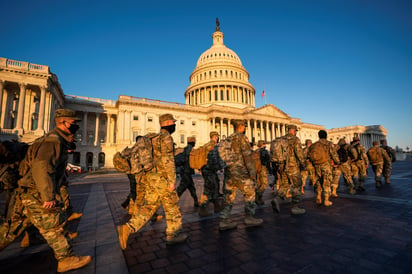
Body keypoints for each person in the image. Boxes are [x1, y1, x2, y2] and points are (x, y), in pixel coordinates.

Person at [0, 109, 91, 272]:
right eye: (73, 123)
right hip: (36, 192)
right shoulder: (54, 141)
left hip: (27, 190)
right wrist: (48, 196)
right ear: (63, 123)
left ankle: (31, 238)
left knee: (13, 226)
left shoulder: (53, 139)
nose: (76, 125)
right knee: (54, 225)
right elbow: (42, 167)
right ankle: (66, 259)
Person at [117, 113, 188, 249]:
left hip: (150, 177)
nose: (175, 125)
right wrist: (172, 181)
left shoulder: (152, 138)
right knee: (172, 207)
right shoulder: (166, 138)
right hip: (162, 179)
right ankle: (173, 235)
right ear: (168, 123)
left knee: (149, 207)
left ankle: (128, 228)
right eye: (173, 122)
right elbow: (168, 161)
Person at [219, 119, 263, 231]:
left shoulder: (228, 139)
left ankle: (224, 221)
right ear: (241, 127)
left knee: (229, 196)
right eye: (244, 126)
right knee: (250, 193)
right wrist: (252, 172)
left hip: (229, 171)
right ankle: (249, 217)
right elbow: (247, 156)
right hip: (241, 171)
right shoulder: (242, 138)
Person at [271, 125, 306, 215]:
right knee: (296, 185)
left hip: (282, 166)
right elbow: (299, 154)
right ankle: (295, 207)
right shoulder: (295, 139)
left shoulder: (280, 139)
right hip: (293, 166)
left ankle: (277, 199)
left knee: (284, 185)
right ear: (294, 131)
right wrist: (303, 164)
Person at [309, 130, 340, 207]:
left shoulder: (313, 145)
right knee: (326, 182)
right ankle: (326, 200)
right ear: (326, 136)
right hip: (326, 165)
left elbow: (308, 156)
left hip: (316, 166)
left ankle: (318, 196)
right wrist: (337, 162)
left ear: (319, 136)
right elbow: (334, 155)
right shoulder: (329, 144)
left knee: (318, 181)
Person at [198, 131, 226, 217]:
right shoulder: (213, 146)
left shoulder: (205, 145)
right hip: (210, 170)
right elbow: (215, 158)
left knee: (215, 187)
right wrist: (221, 166)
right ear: (215, 137)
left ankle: (217, 206)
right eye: (217, 136)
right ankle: (203, 208)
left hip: (206, 170)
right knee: (208, 189)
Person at [176, 136, 199, 207]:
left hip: (186, 172)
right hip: (186, 172)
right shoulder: (189, 149)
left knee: (192, 187)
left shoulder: (186, 149)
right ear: (192, 142)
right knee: (180, 189)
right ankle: (173, 203)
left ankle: (196, 202)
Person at [255, 140, 269, 205]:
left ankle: (258, 198)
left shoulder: (256, 151)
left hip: (256, 169)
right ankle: (258, 195)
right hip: (263, 169)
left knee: (259, 184)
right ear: (263, 145)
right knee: (264, 184)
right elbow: (268, 161)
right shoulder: (265, 151)